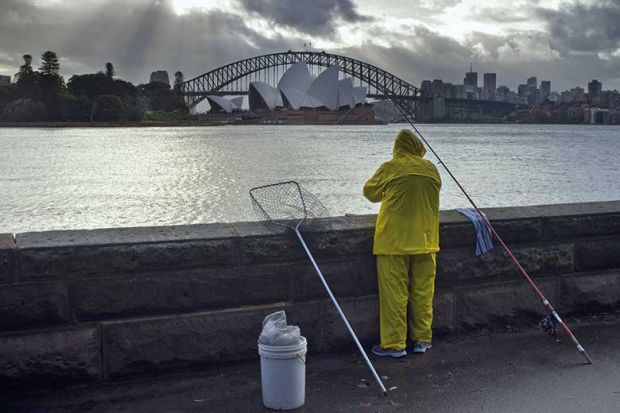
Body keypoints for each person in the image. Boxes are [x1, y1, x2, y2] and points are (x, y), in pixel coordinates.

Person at [363, 129, 442, 358]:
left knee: (394, 295)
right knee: (423, 293)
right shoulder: (431, 169)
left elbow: (369, 192)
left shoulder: (391, 167)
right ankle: (422, 340)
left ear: (397, 148)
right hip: (427, 241)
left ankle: (395, 345)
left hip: (393, 241)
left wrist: (390, 191)